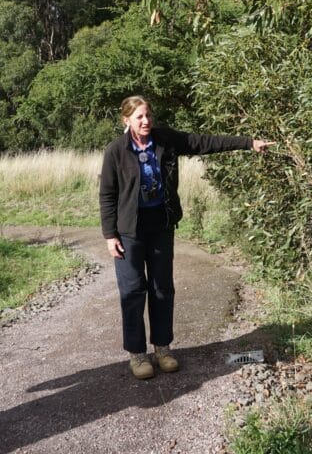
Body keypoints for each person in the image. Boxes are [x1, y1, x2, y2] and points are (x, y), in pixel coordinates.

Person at [101, 95, 273, 379]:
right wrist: (110, 235)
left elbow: (202, 142)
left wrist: (248, 142)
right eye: (139, 117)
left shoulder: (164, 139)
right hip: (129, 232)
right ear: (126, 120)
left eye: (148, 115)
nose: (146, 121)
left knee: (162, 288)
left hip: (161, 226)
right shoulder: (116, 151)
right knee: (133, 291)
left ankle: (163, 348)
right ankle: (137, 354)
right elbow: (107, 195)